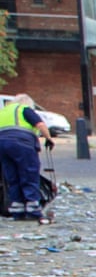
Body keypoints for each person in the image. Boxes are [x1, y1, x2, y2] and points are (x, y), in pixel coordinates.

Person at [0, 94, 53, 222]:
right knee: (28, 174)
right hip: (22, 144)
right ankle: (33, 208)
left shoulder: (3, 111)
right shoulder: (24, 109)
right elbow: (40, 124)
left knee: (12, 176)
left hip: (2, 145)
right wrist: (49, 138)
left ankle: (17, 209)